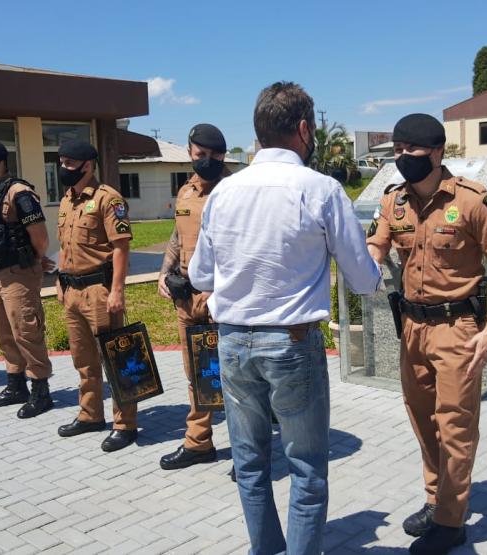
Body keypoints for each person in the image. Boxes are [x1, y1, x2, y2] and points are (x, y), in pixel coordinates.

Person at [188, 81, 382, 555]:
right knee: (307, 467)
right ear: (303, 129)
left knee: (251, 464)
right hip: (291, 342)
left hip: (233, 340)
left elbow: (200, 275)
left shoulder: (223, 193)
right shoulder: (321, 189)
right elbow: (362, 280)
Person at [366, 113, 487, 554]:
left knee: (455, 425)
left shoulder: (472, 201)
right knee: (422, 419)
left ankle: (451, 523)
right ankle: (437, 499)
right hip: (412, 329)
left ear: (436, 152)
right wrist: (373, 258)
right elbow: (377, 243)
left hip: (457, 328)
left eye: (410, 151)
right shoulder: (394, 203)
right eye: (397, 151)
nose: (402, 158)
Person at [54, 139, 139, 452]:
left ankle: (125, 424)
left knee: (115, 357)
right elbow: (65, 246)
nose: (63, 169)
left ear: (87, 165)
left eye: (68, 163)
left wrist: (117, 290)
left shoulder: (108, 199)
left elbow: (121, 247)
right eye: (60, 162)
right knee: (83, 359)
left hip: (99, 291)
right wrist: (59, 280)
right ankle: (90, 414)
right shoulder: (66, 201)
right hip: (73, 291)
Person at [158, 123, 231, 471]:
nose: (207, 161)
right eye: (201, 155)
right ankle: (199, 442)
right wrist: (164, 272)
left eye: (215, 156)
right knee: (195, 374)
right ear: (189, 152)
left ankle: (249, 449)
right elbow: (177, 236)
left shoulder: (234, 190)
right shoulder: (186, 191)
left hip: (223, 301)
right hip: (186, 297)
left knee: (235, 375)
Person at [0, 140, 54, 419]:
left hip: (18, 272)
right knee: (3, 331)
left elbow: (40, 238)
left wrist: (36, 260)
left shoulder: (20, 193)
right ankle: (16, 385)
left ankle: (41, 390)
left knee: (26, 331)